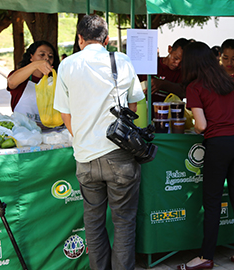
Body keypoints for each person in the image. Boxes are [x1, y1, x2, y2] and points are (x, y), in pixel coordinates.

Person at [53, 15, 144, 269]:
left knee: (93, 222)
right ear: (106, 40)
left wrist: (81, 137)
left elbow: (65, 112)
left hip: (85, 158)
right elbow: (133, 104)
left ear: (79, 39)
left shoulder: (67, 65)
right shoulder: (122, 61)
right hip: (120, 155)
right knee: (124, 221)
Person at [177, 41, 234, 270]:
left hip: (219, 143)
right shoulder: (226, 81)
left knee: (212, 201)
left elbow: (200, 126)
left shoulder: (195, 87)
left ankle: (206, 257)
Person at [6, 41, 60, 123]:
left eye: (50, 56)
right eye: (42, 55)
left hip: (51, 131)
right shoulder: (21, 77)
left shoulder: (56, 80)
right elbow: (12, 82)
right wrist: (36, 65)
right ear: (31, 57)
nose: (47, 58)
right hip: (23, 130)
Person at [139, 38, 192, 102]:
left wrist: (163, 84)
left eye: (182, 62)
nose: (177, 64)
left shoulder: (184, 72)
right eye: (175, 58)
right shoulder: (151, 63)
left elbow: (185, 91)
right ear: (169, 49)